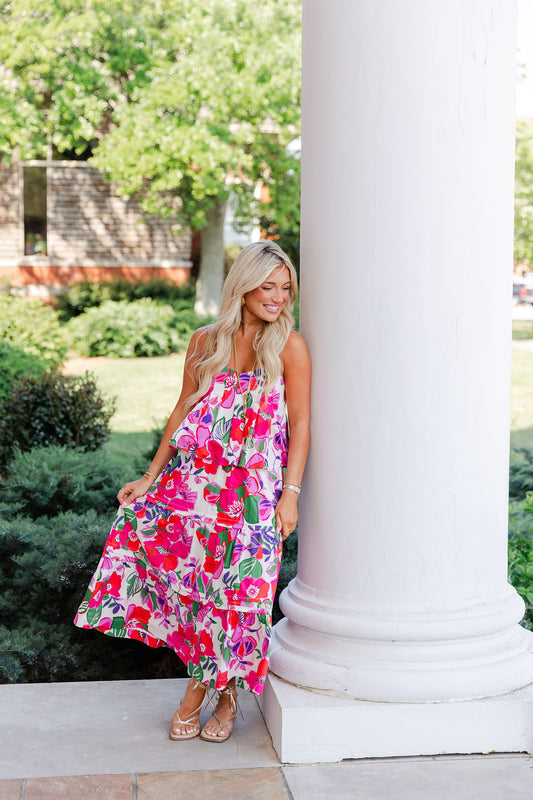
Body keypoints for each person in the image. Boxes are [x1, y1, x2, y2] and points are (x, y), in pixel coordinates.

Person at [74, 240, 311, 742]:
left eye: (285, 288)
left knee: (239, 598)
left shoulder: (288, 345)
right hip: (194, 489)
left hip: (251, 499)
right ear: (243, 286)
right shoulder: (206, 341)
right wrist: (150, 477)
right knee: (203, 597)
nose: (278, 298)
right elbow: (182, 408)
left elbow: (302, 422)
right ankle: (226, 697)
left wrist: (290, 492)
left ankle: (193, 697)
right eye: (267, 286)